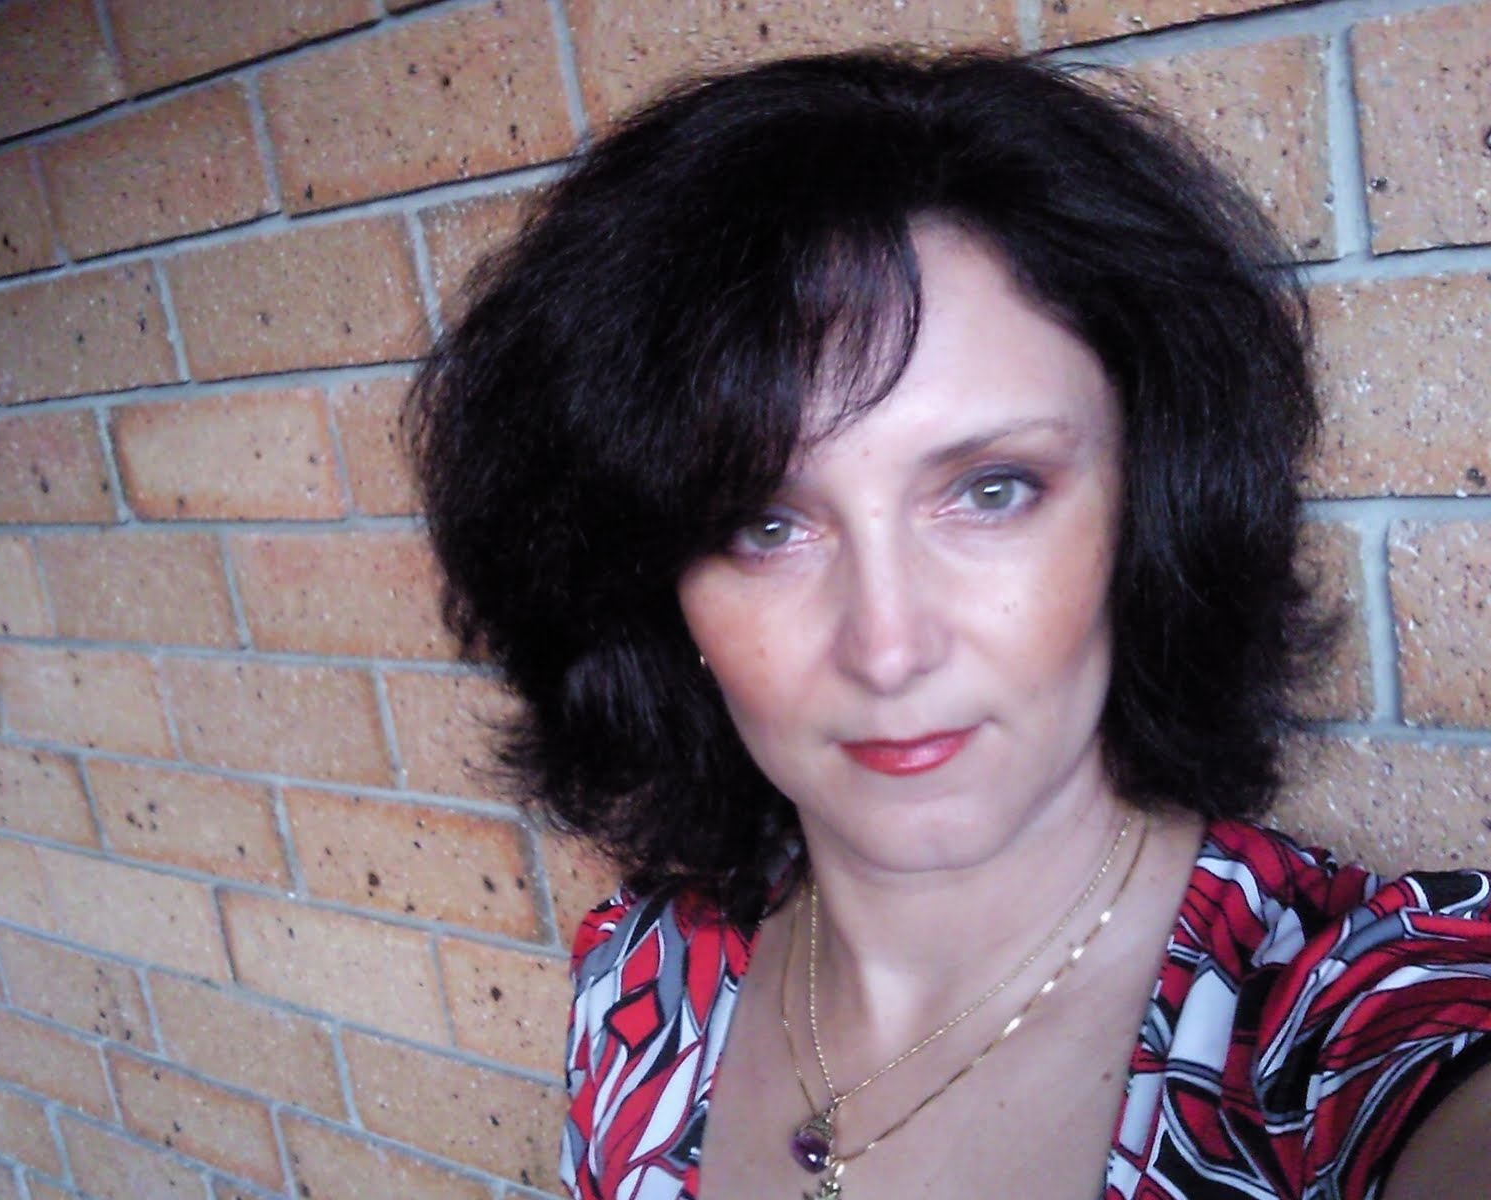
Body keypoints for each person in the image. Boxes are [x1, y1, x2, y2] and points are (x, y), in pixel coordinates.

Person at [406, 50, 1491, 1200]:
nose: (887, 648)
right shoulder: (640, 979)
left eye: (992, 490)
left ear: (1147, 510)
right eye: (763, 526)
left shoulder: (1339, 1020)